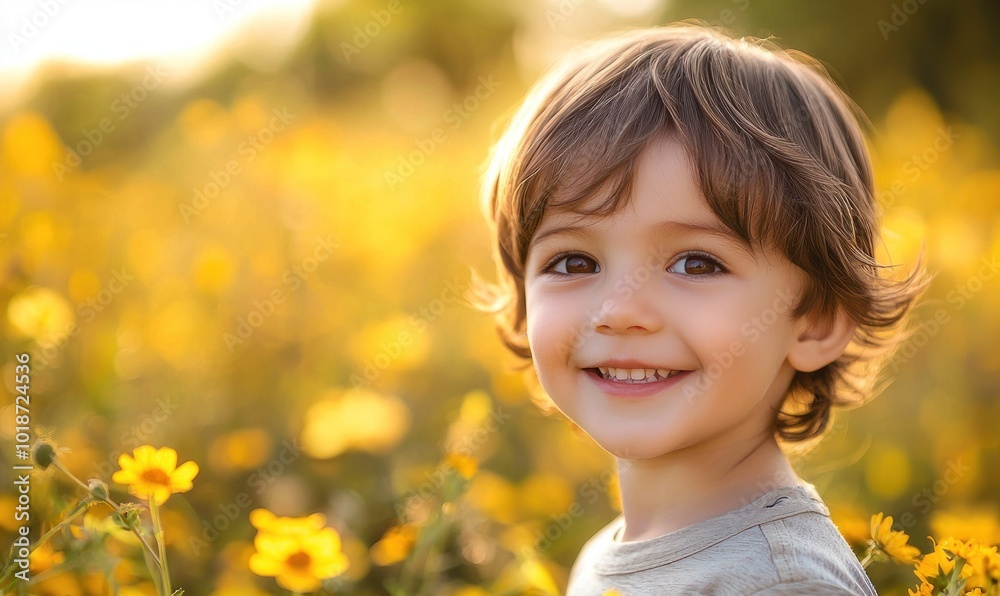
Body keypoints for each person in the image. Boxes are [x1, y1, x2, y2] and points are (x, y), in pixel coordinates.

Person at [475, 22, 928, 595]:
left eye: (695, 264)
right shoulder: (607, 554)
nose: (619, 311)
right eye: (573, 262)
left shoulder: (782, 585)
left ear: (816, 319)